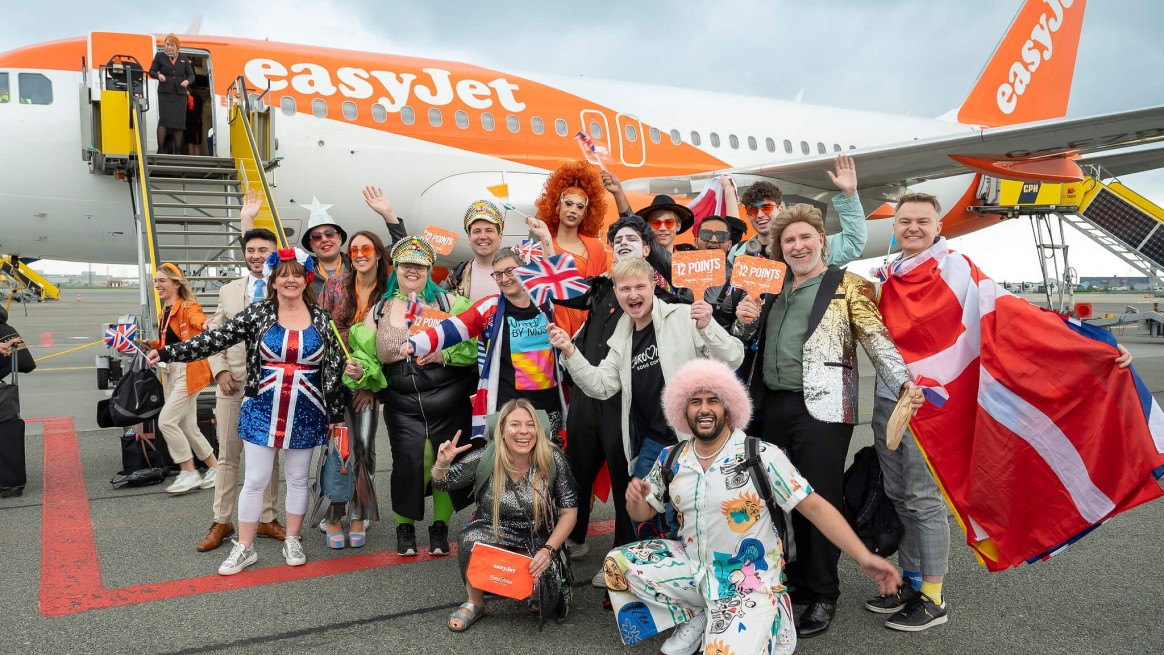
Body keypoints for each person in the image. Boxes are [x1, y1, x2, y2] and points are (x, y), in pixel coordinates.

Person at [866, 192, 1137, 630]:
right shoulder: (886, 277)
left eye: (922, 221)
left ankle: (933, 597)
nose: (912, 227)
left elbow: (1012, 313)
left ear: (939, 228)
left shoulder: (957, 269)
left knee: (921, 499)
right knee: (899, 496)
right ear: (894, 227)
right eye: (904, 221)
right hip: (887, 399)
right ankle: (912, 582)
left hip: (932, 407)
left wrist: (1093, 344)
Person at [605, 358, 902, 655]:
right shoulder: (671, 458)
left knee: (722, 651)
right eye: (695, 401)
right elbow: (643, 514)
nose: (704, 409)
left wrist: (863, 556)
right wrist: (635, 501)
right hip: (694, 568)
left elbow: (815, 508)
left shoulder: (760, 455)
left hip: (747, 582)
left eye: (713, 400)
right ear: (683, 409)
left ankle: (766, 615)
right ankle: (698, 614)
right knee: (617, 563)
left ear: (729, 407)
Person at [731, 204, 920, 638]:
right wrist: (744, 323)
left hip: (822, 409)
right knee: (778, 498)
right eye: (788, 241)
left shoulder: (849, 285)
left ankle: (823, 593)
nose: (797, 246)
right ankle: (794, 581)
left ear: (821, 240)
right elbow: (745, 343)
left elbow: (876, 339)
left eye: (804, 238)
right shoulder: (773, 287)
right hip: (771, 405)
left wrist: (905, 382)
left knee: (819, 499)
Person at [147, 248, 351, 575]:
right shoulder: (257, 313)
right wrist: (168, 352)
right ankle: (244, 547)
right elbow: (214, 340)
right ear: (273, 278)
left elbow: (334, 367)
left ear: (306, 278)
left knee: (298, 479)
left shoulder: (322, 318)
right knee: (255, 479)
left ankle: (293, 538)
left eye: (296, 274)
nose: (290, 279)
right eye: (283, 274)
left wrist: (343, 393)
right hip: (261, 408)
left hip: (307, 408)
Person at [549, 215, 674, 576]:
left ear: (647, 250)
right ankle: (573, 536)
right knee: (576, 470)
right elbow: (562, 291)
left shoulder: (658, 293)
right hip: (589, 394)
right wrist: (542, 258)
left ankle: (622, 552)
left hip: (625, 401)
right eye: (617, 238)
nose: (622, 241)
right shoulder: (602, 287)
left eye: (632, 238)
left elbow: (680, 297)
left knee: (624, 476)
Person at [354, 236, 478, 556]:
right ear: (396, 269)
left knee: (445, 460)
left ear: (429, 269)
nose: (413, 270)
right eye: (406, 264)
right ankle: (405, 528)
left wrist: (444, 356)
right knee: (409, 462)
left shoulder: (451, 305)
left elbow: (475, 344)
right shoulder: (380, 309)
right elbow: (366, 352)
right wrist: (360, 371)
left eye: (420, 265)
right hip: (402, 401)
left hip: (448, 398)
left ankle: (440, 528)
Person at [431, 398, 579, 632]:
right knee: (470, 538)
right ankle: (475, 602)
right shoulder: (488, 457)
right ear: (501, 430)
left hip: (537, 538)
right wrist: (442, 464)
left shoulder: (553, 458)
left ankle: (532, 587)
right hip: (493, 532)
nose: (523, 431)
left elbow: (570, 511)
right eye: (515, 424)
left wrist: (549, 550)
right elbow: (442, 484)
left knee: (545, 598)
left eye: (530, 425)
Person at [402, 248, 567, 440]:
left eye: (510, 271)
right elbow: (455, 327)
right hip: (507, 407)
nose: (504, 279)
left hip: (547, 405)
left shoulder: (548, 303)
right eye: (497, 274)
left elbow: (570, 293)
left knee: (546, 463)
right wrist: (417, 343)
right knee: (507, 464)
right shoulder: (490, 308)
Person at [198, 218, 285, 551]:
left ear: (275, 254)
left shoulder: (286, 286)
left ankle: (267, 518)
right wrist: (219, 371)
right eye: (250, 250)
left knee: (269, 457)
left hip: (273, 386)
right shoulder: (228, 290)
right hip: (233, 385)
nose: (256, 255)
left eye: (263, 250)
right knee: (228, 457)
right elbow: (213, 335)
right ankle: (222, 520)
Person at [317, 229, 393, 547]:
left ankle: (359, 512)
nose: (360, 254)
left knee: (363, 445)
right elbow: (321, 327)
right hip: (336, 379)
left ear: (377, 253)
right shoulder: (335, 285)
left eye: (367, 248)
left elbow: (394, 342)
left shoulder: (390, 291)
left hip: (369, 384)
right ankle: (333, 512)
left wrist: (372, 386)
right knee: (336, 445)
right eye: (355, 249)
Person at [148, 263, 219, 495]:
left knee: (167, 421)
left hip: (189, 371)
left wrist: (207, 324)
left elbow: (199, 321)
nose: (157, 285)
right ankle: (216, 468)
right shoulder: (165, 311)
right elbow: (169, 343)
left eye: (162, 281)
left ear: (176, 283)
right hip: (171, 370)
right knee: (187, 425)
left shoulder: (188, 306)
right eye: (156, 280)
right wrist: (153, 345)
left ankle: (188, 471)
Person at [726, 155, 867, 267]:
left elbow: (852, 242)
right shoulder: (737, 253)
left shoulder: (804, 248)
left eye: (766, 208)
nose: (760, 215)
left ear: (780, 209)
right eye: (753, 210)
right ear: (748, 216)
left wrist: (850, 194)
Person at [533, 160, 613, 335]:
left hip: (588, 334)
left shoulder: (595, 248)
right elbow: (545, 292)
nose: (573, 210)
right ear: (557, 205)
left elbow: (600, 296)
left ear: (586, 213)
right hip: (549, 334)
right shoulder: (539, 248)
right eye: (568, 203)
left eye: (579, 206)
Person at [441, 200, 505, 302]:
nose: (483, 236)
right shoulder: (457, 275)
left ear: (500, 236)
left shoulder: (516, 273)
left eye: (489, 230)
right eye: (477, 231)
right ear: (469, 238)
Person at [148, 35, 194, 155]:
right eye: (167, 44)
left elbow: (191, 75)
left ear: (177, 47)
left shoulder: (183, 58)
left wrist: (187, 81)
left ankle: (178, 150)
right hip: (165, 92)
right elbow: (151, 71)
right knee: (163, 120)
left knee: (179, 123)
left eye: (172, 45)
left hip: (180, 94)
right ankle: (161, 149)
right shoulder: (160, 56)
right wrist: (158, 75)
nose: (169, 47)